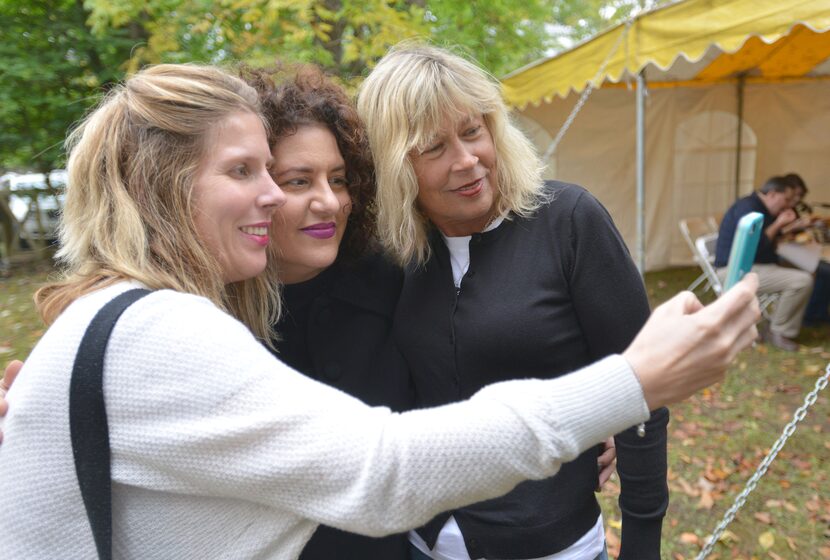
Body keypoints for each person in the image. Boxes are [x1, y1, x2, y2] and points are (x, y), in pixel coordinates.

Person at [0, 62, 761, 559]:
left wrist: (597, 432)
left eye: (323, 177)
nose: (289, 197)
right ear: (158, 190)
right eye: (256, 173)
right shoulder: (176, 324)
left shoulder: (380, 266)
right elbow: (383, 465)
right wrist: (626, 383)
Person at [357, 43, 667, 560]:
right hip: (420, 544)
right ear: (396, 167)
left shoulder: (568, 222)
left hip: (552, 546)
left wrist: (642, 541)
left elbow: (645, 384)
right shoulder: (396, 254)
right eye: (433, 148)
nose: (466, 160)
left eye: (473, 130)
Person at [715, 175, 813, 351]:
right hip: (736, 271)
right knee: (802, 281)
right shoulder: (749, 209)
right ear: (773, 194)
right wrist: (779, 224)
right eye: (787, 199)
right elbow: (756, 247)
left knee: (810, 270)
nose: (789, 205)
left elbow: (768, 243)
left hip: (754, 266)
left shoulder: (759, 208)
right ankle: (779, 331)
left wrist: (788, 226)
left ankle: (795, 320)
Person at [783, 173, 830, 324]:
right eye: (795, 196)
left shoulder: (791, 208)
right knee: (823, 270)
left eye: (799, 196)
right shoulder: (779, 208)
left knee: (825, 269)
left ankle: (818, 312)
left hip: (795, 250)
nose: (797, 200)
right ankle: (811, 315)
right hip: (784, 254)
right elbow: (779, 236)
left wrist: (805, 226)